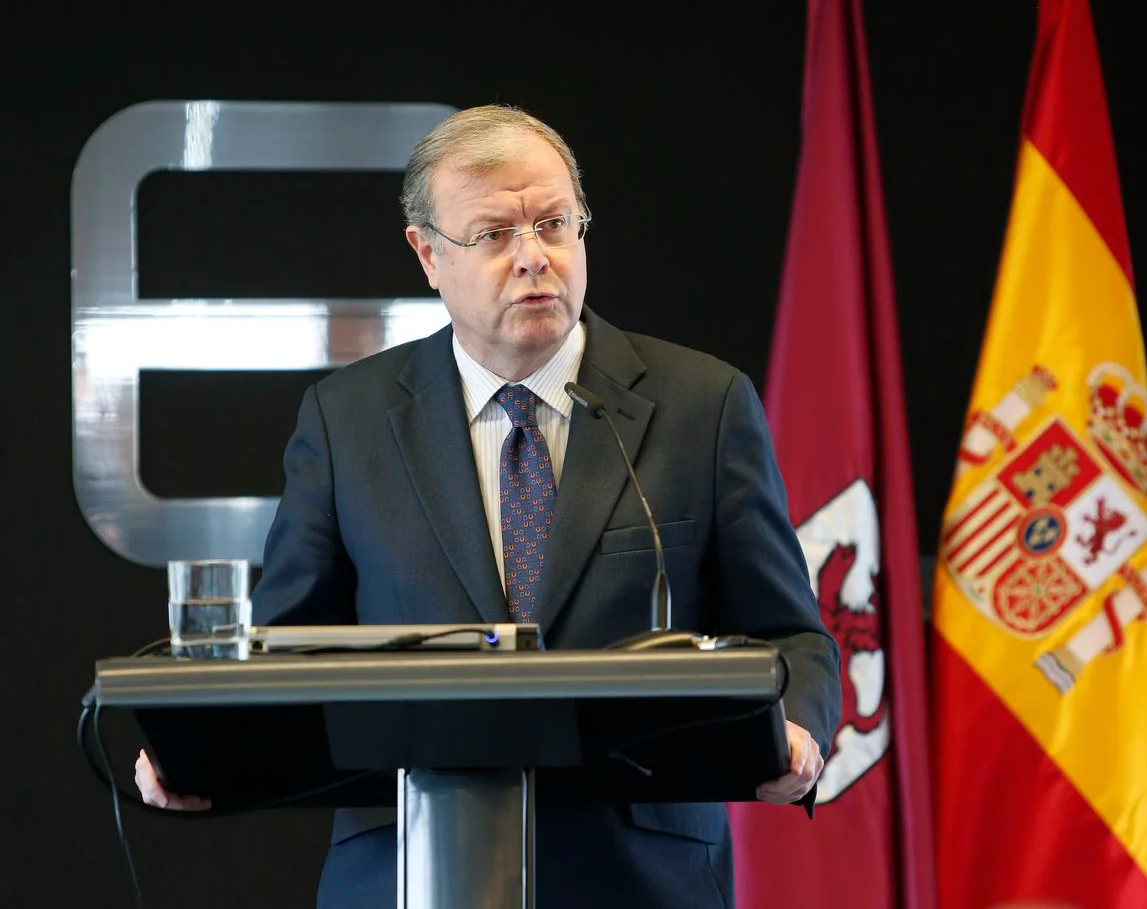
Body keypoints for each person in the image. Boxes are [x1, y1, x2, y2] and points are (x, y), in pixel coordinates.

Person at [134, 103, 842, 908]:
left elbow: (791, 631)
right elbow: (286, 654)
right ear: (428, 254)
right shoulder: (348, 420)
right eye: (494, 234)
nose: (533, 258)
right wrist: (208, 749)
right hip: (405, 869)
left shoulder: (701, 404)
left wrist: (798, 724)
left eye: (553, 224)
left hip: (638, 877)